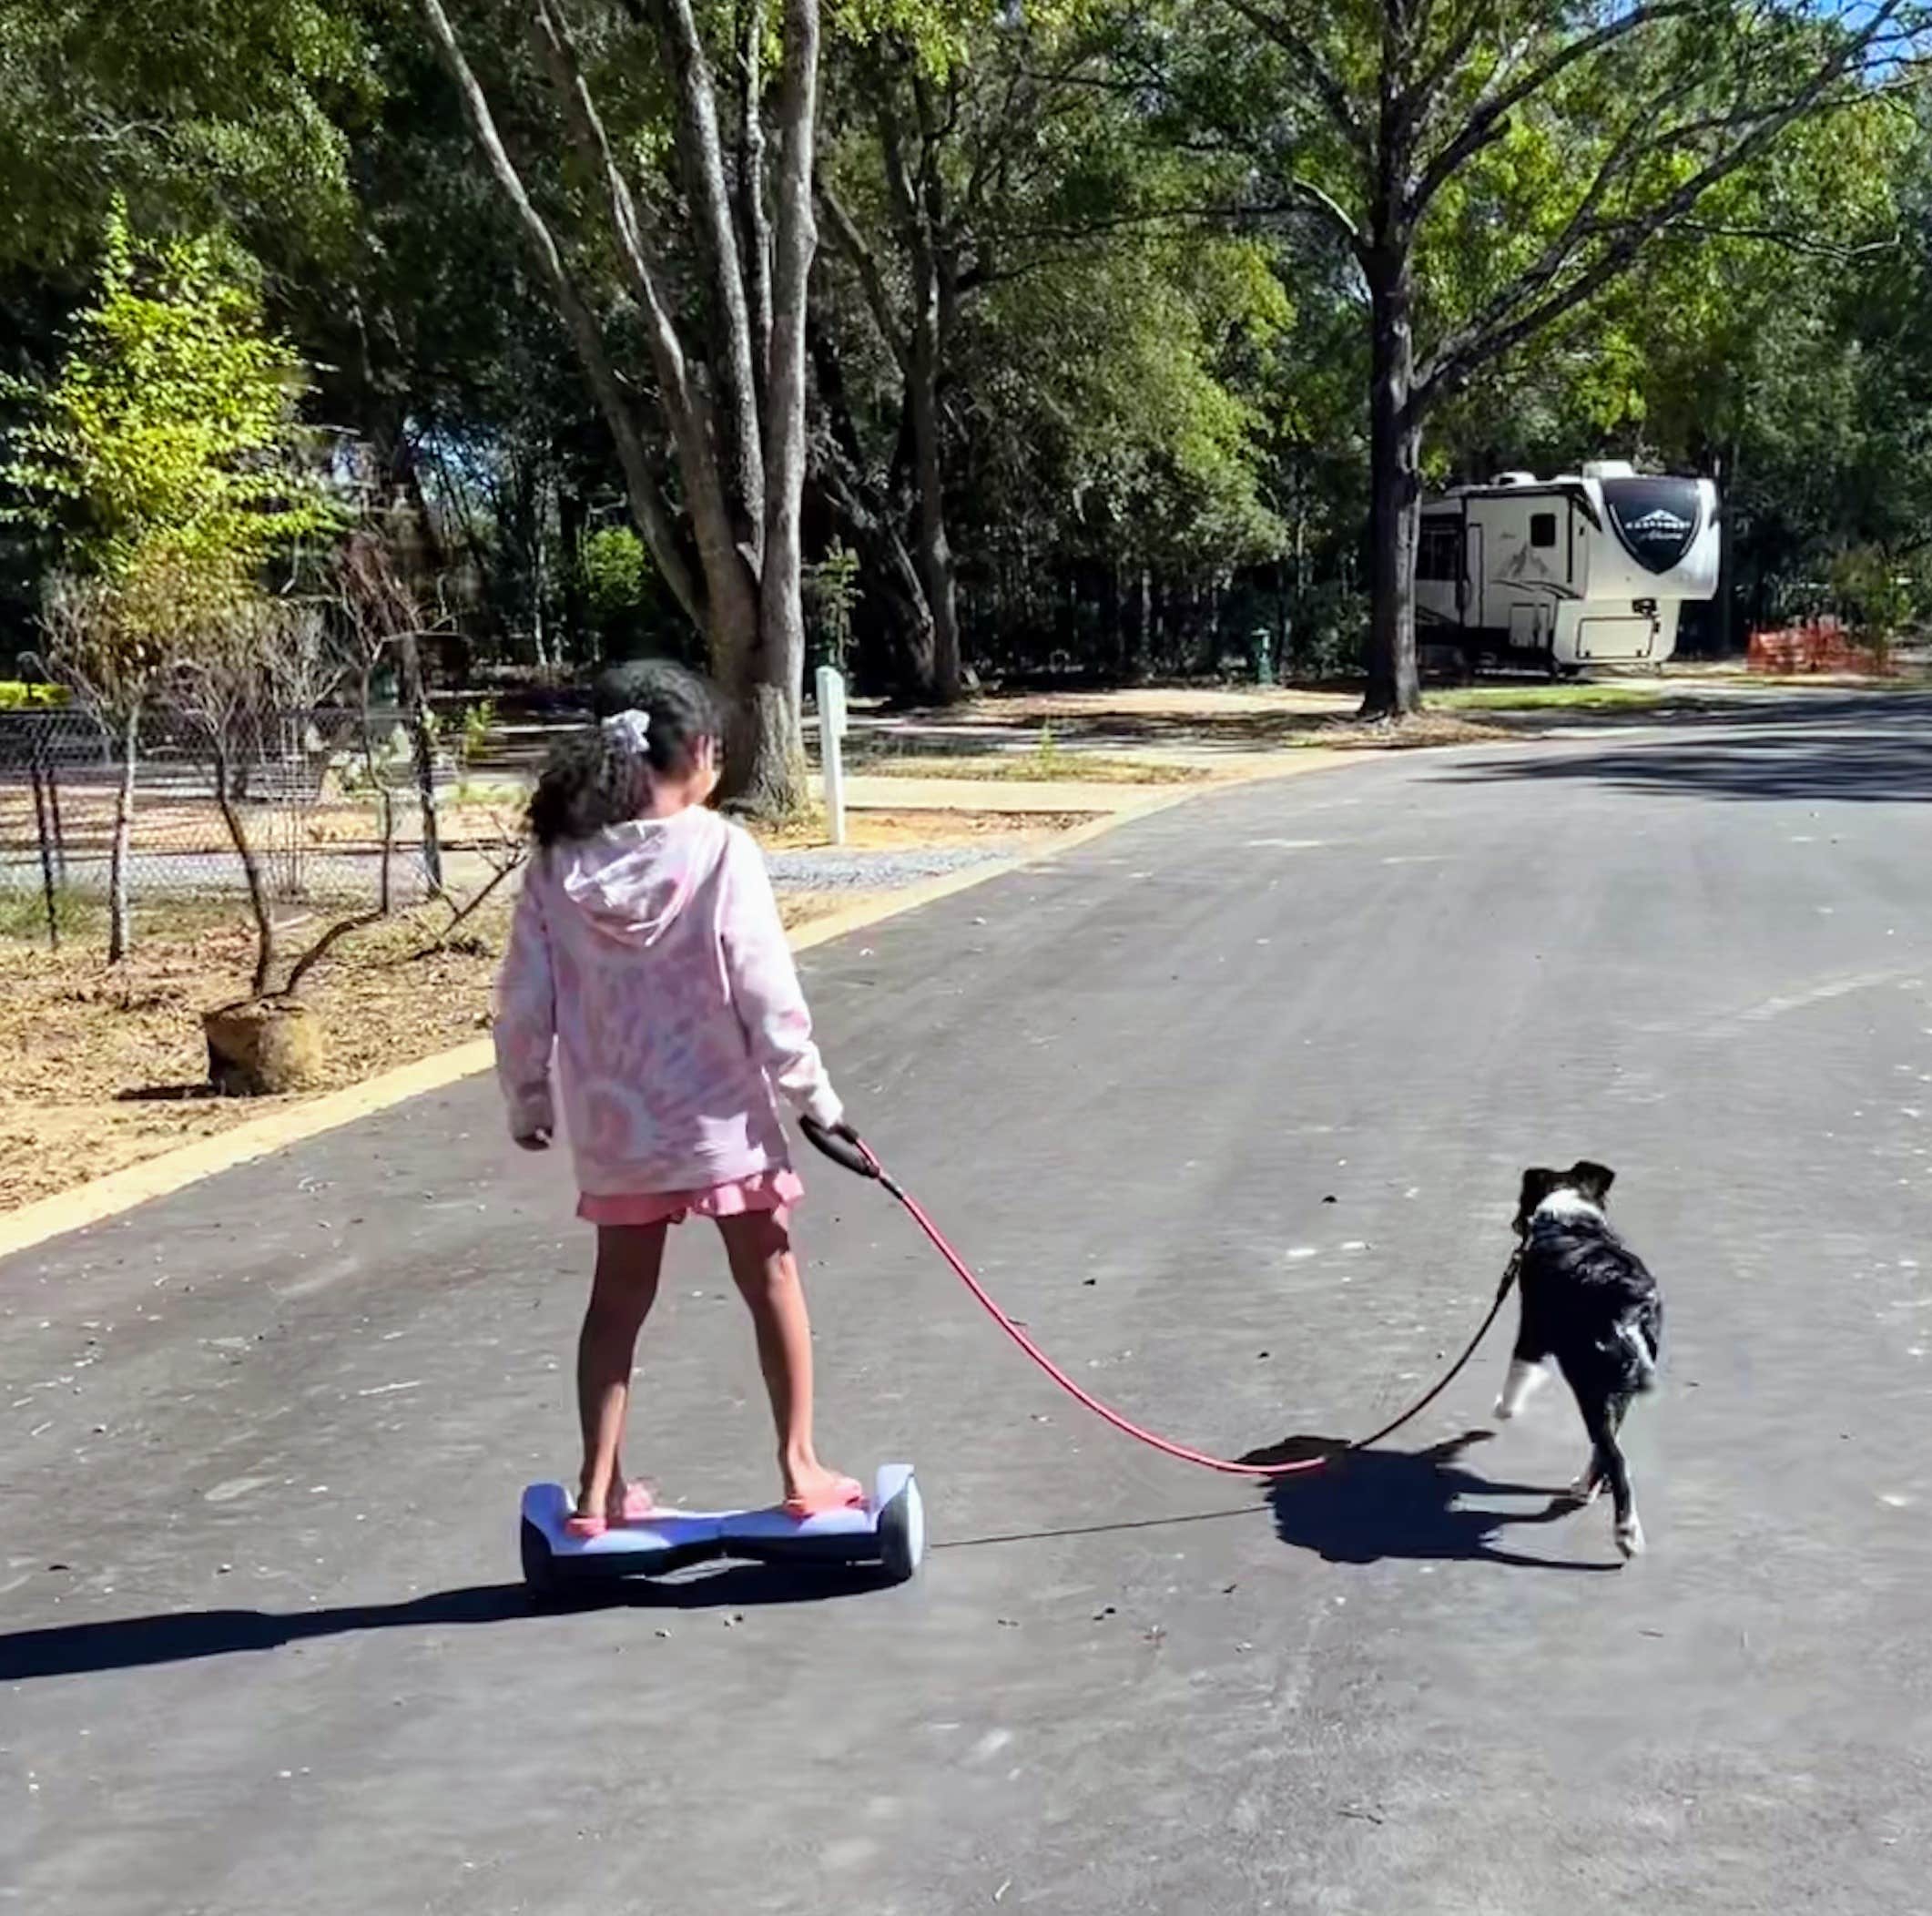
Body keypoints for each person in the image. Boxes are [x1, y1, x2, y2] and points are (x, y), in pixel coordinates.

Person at [493, 659, 861, 1536]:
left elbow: (522, 1004)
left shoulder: (556, 865)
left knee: (617, 1300)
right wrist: (815, 1098)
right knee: (770, 1274)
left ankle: (596, 1491)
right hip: (720, 1120)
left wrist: (529, 1101)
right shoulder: (722, 850)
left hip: (617, 1130)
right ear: (696, 751)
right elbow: (767, 995)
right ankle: (800, 1466)